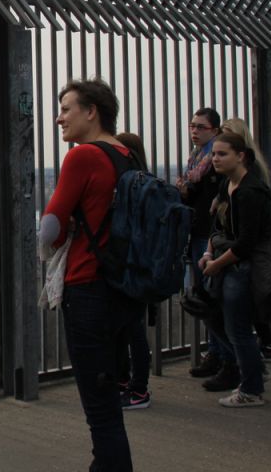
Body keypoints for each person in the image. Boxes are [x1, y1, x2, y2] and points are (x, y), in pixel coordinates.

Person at [40, 79, 142, 471]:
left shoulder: (82, 156)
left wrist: (48, 245)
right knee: (110, 394)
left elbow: (52, 225)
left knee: (99, 407)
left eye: (66, 109)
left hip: (87, 287)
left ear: (91, 111)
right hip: (122, 287)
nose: (59, 117)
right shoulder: (127, 154)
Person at [201, 131, 271, 408]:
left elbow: (246, 243)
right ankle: (252, 370)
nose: (215, 159)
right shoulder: (229, 186)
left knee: (238, 328)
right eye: (213, 154)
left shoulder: (250, 192)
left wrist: (215, 264)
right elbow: (219, 227)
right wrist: (209, 252)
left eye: (222, 154)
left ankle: (251, 388)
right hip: (228, 263)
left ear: (241, 156)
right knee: (217, 318)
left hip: (241, 268)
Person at [220, 118, 271, 362]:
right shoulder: (241, 179)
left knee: (240, 318)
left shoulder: (248, 186)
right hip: (244, 249)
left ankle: (252, 366)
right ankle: (261, 349)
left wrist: (216, 261)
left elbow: (246, 237)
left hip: (244, 252)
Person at [177, 108, 229, 381]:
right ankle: (217, 354)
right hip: (198, 231)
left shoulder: (215, 160)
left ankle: (223, 357)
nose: (195, 131)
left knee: (211, 298)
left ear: (215, 131)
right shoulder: (197, 159)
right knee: (206, 297)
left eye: (201, 127)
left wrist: (187, 189)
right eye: (192, 125)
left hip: (209, 236)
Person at [115, 132, 152, 411]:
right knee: (127, 326)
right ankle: (127, 382)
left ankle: (138, 388)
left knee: (132, 329)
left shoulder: (132, 184)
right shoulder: (146, 183)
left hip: (130, 263)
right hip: (138, 263)